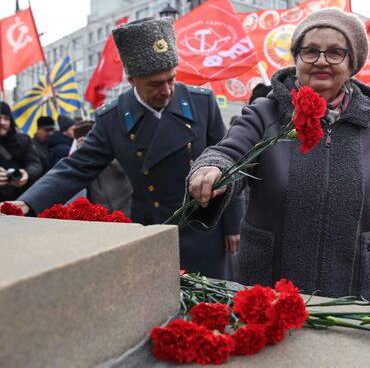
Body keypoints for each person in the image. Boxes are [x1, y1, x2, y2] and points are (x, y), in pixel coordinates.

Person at [186, 9, 370, 300]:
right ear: (296, 58)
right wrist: (214, 167)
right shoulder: (266, 112)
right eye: (310, 51)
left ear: (352, 63)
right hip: (272, 282)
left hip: (351, 287)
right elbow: (230, 152)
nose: (320, 60)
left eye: (335, 53)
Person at [3, 17, 244, 280]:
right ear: (131, 80)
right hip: (152, 229)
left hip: (203, 225)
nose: (167, 90)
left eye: (171, 79)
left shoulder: (201, 102)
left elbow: (228, 163)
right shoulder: (113, 118)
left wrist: (233, 224)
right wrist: (27, 202)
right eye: (155, 84)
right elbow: (75, 168)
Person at [0, 101, 42, 202]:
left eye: (6, 118)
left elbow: (35, 164)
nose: (2, 122)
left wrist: (27, 174)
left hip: (19, 200)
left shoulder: (23, 140)